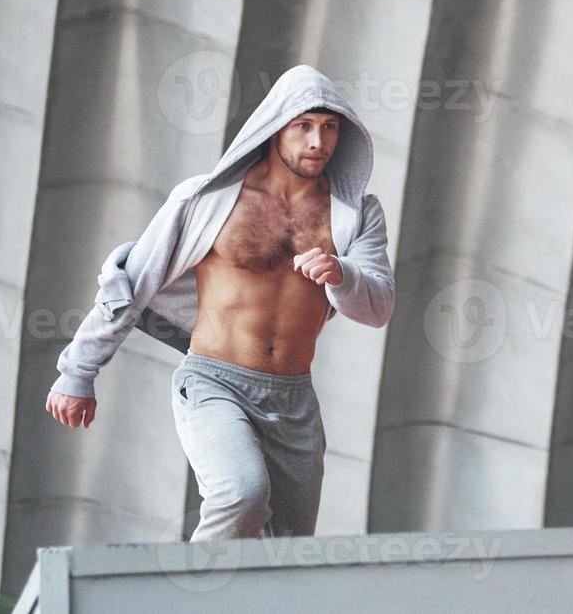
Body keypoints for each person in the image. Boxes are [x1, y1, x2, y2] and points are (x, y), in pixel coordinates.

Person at [44, 64, 395, 540]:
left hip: (295, 399)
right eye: (305, 126)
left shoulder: (355, 214)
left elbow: (377, 308)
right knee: (242, 495)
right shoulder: (208, 199)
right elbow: (131, 281)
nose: (318, 142)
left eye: (330, 128)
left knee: (287, 554)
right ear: (277, 127)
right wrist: (77, 372)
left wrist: (342, 273)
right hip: (214, 381)